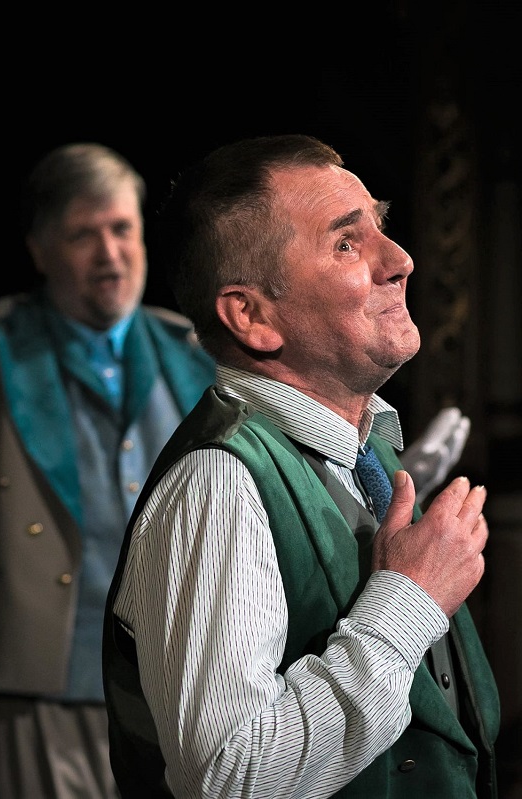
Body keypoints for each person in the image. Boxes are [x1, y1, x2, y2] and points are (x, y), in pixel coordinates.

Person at [102, 134, 500, 798]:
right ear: (252, 316)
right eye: (346, 243)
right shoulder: (218, 484)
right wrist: (409, 603)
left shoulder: (367, 453)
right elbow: (229, 776)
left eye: (381, 227)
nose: (401, 260)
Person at [0, 142, 217, 798]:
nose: (110, 253)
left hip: (175, 691)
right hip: (28, 691)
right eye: (84, 235)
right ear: (40, 250)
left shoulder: (192, 346)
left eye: (122, 229)